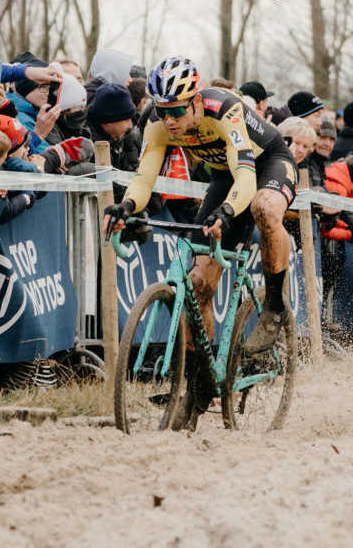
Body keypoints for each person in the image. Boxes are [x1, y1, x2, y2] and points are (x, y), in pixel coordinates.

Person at [104, 57, 298, 413]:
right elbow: (145, 177)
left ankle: (272, 306)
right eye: (163, 111)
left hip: (266, 162)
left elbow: (245, 175)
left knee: (264, 208)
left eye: (177, 110)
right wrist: (128, 206)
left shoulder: (225, 110)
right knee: (197, 284)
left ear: (195, 101)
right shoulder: (157, 123)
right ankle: (200, 384)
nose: (171, 120)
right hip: (224, 176)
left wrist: (227, 210)